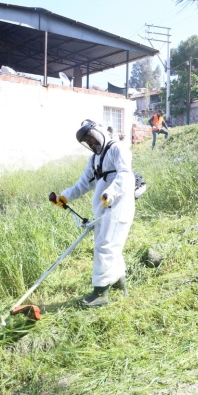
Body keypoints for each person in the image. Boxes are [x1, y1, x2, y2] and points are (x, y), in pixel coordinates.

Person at [52, 120, 136, 307]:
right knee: (110, 245)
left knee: (105, 246)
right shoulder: (94, 159)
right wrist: (64, 197)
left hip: (119, 205)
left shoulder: (118, 149)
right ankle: (120, 284)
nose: (91, 143)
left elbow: (125, 175)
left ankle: (100, 294)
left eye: (91, 138)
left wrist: (111, 193)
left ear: (100, 132)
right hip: (103, 208)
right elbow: (83, 183)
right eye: (87, 141)